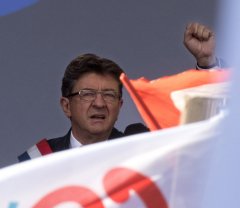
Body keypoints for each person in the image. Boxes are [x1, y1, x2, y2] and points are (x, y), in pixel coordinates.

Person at [18, 22, 221, 161]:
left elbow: (198, 136)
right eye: (87, 94)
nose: (99, 103)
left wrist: (207, 65)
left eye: (109, 95)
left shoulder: (141, 150)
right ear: (66, 106)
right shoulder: (40, 160)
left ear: (120, 105)